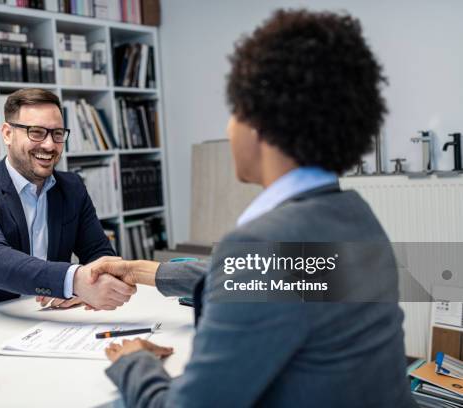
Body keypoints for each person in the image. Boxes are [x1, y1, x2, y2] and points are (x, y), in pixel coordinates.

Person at [90, 10, 416, 407]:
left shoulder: (262, 244)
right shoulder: (355, 216)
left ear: (259, 122)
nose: (229, 129)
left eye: (235, 112)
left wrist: (135, 364)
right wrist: (136, 270)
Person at [0, 88, 135, 313]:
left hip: (50, 319)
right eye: (36, 132)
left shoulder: (71, 188)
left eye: (57, 134)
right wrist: (72, 281)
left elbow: (100, 254)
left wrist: (91, 284)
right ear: (7, 134)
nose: (49, 145)